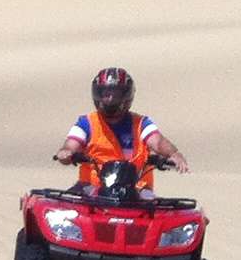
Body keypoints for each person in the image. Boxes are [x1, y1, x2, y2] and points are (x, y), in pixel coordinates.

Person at [54, 67, 189, 191]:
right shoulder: (86, 123)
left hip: (137, 190)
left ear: (126, 96)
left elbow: (157, 142)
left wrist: (173, 154)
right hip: (92, 190)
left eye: (116, 94)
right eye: (106, 94)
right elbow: (71, 145)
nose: (110, 99)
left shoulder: (142, 124)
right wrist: (66, 153)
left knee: (160, 211)